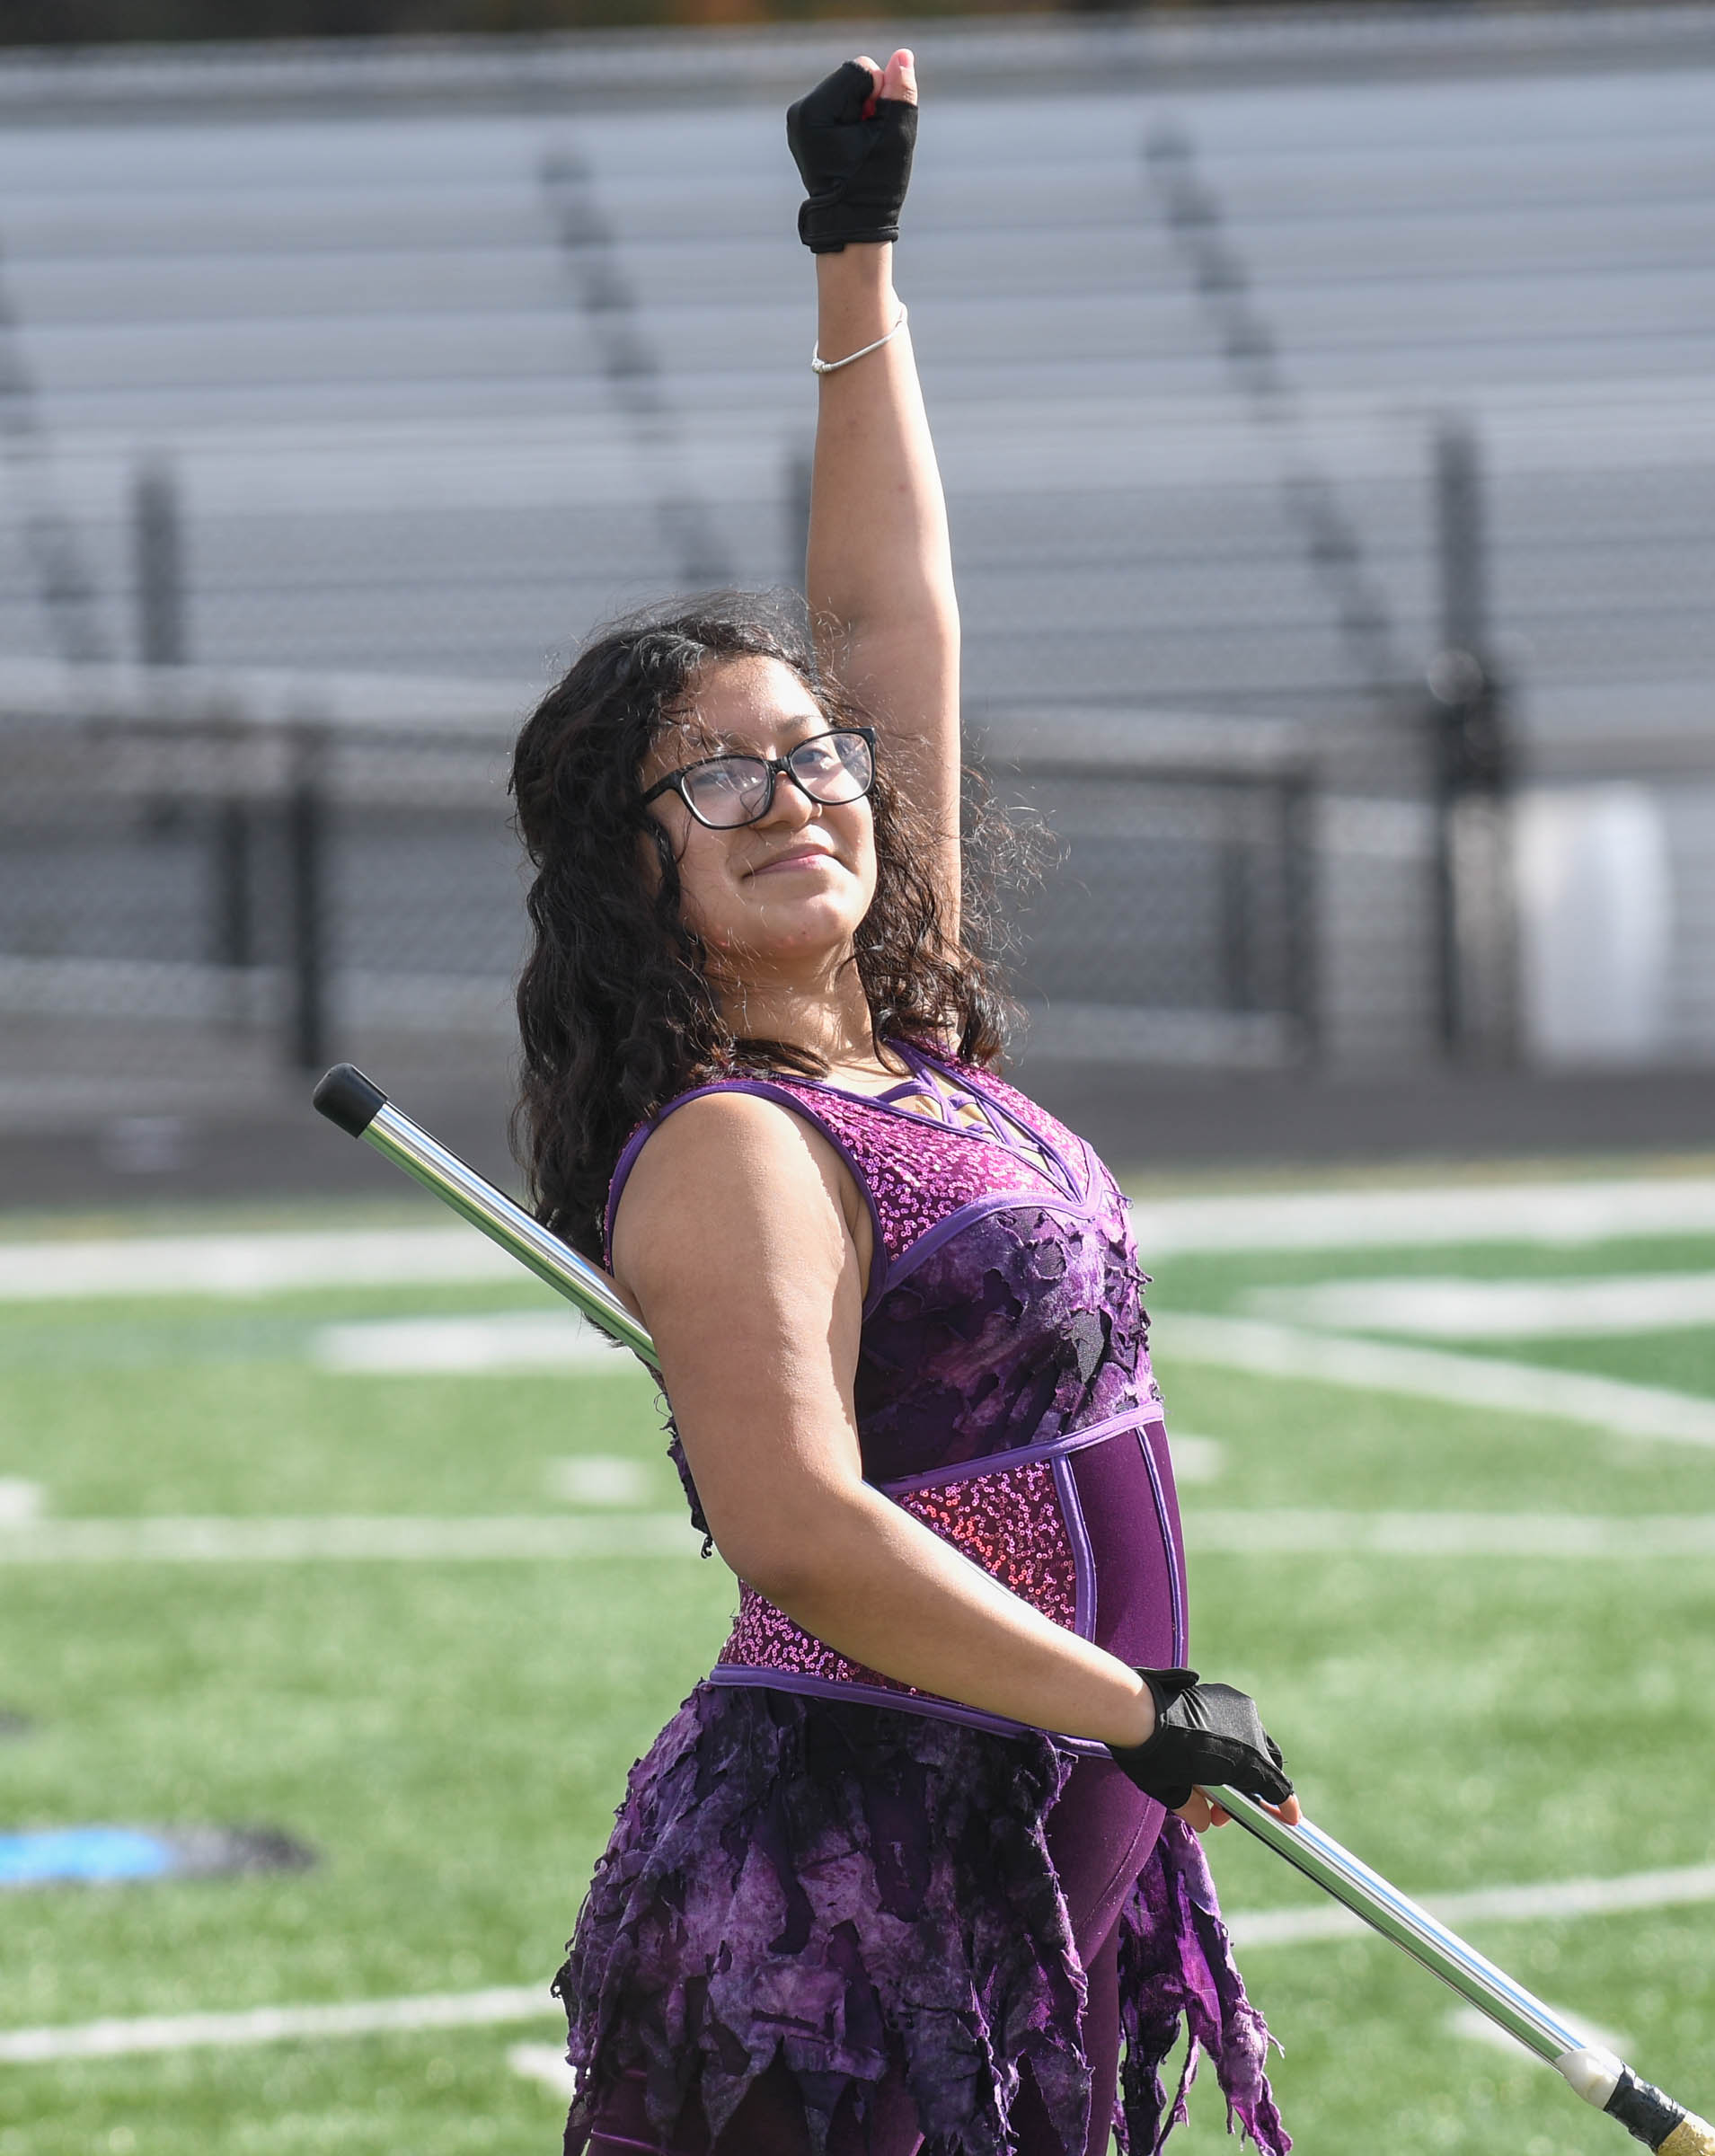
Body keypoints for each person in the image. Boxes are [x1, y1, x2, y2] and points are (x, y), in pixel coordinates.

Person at [509, 49, 1299, 2156]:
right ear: (633, 869)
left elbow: (887, 622)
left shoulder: (917, 1046)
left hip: (1038, 1819)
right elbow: (796, 1527)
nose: (795, 795)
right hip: (860, 1879)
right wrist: (1132, 1706)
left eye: (812, 755)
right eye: (717, 777)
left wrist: (854, 254)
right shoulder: (735, 1150)